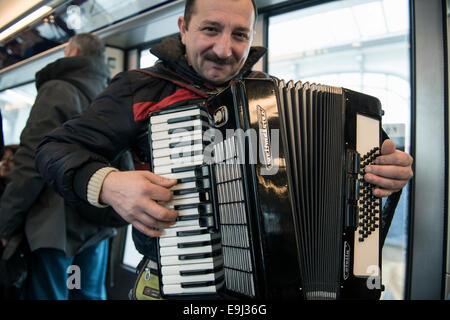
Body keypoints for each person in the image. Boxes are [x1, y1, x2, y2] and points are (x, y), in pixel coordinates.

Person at [35, 0, 414, 296]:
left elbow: (324, 177)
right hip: (175, 276)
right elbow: (54, 149)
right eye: (211, 30)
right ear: (183, 29)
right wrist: (108, 184)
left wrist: (379, 174)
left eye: (240, 35)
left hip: (269, 288)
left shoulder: (269, 95)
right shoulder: (140, 88)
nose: (224, 49)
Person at [0, 33, 121, 300]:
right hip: (96, 225)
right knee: (86, 294)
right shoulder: (111, 93)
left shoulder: (58, 89)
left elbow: (30, 162)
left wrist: (5, 224)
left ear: (73, 51)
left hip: (56, 228)